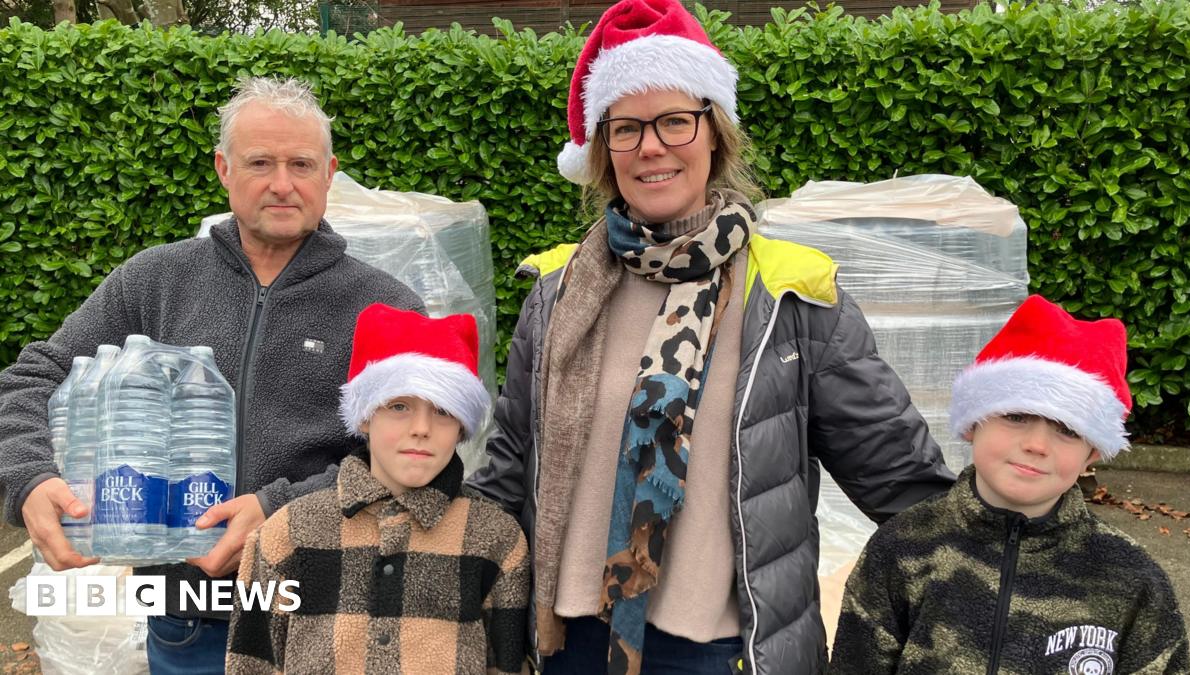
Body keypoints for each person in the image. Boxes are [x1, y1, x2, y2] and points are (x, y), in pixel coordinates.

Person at [466, 1, 956, 672]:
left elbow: (900, 479)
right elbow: (505, 470)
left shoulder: (789, 294)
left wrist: (1031, 549)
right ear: (603, 149)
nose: (652, 146)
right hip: (565, 641)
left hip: (722, 648)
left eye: (675, 121)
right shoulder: (557, 293)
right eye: (627, 128)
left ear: (715, 133)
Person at [0, 77, 424, 672]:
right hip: (187, 620)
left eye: (301, 163)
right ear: (224, 168)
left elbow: (416, 466)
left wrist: (282, 508)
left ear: (329, 174)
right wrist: (28, 479)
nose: (282, 183)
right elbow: (32, 375)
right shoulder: (155, 281)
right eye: (260, 163)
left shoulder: (387, 307)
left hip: (331, 619)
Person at [829, 295, 1190, 674]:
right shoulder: (901, 548)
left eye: (1067, 430)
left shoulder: (1131, 578)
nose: (1036, 445)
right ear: (973, 423)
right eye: (1017, 416)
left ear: (1092, 454)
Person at [226, 304, 529, 674]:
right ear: (366, 416)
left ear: (462, 427)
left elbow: (508, 664)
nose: (421, 427)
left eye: (444, 410)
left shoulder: (496, 538)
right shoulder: (285, 533)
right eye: (399, 405)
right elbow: (250, 662)